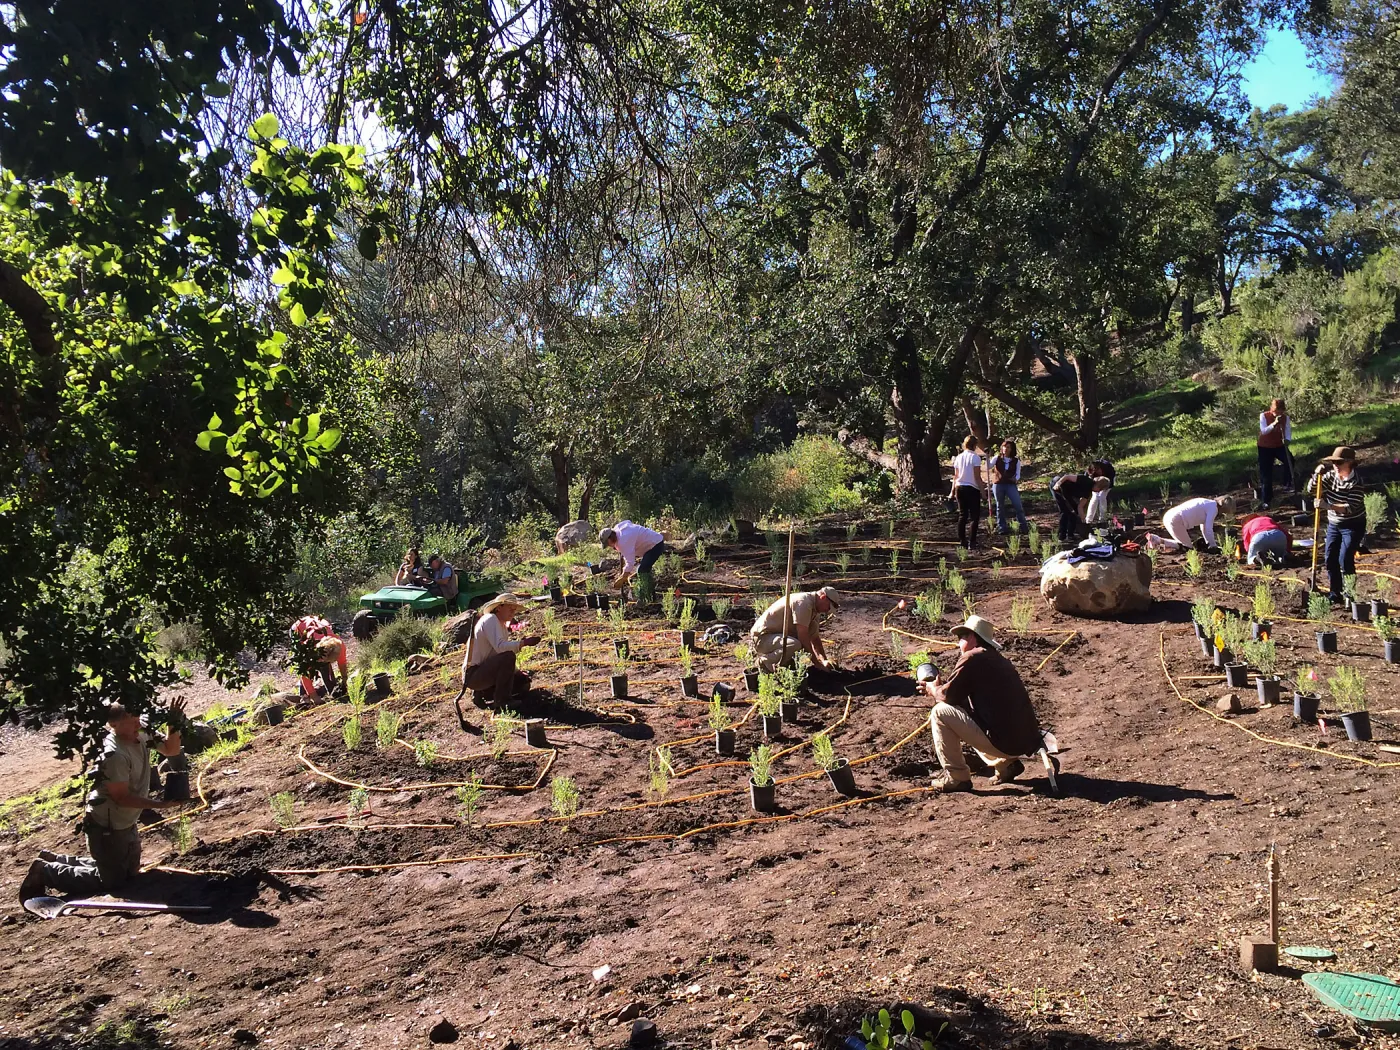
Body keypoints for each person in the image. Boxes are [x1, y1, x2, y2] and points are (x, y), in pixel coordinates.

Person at [20, 699, 188, 902]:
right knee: (112, 882)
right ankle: (46, 872)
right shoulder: (114, 754)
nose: (138, 724)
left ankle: (56, 860)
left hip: (126, 820)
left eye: (137, 719)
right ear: (114, 725)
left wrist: (174, 722)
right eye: (132, 721)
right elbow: (121, 798)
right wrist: (160, 805)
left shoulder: (141, 731)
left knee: (129, 873)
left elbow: (171, 750)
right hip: (108, 824)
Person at [916, 616, 1046, 793]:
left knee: (940, 712)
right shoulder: (996, 659)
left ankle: (957, 777)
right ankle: (1006, 765)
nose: (958, 643)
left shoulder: (972, 657)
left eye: (961, 636)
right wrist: (941, 690)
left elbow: (947, 696)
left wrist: (933, 688)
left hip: (1007, 744)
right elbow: (958, 698)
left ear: (972, 637)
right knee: (960, 713)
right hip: (1025, 741)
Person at [460, 594, 540, 708]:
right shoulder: (490, 619)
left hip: (480, 672)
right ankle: (502, 701)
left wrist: (517, 672)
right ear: (499, 608)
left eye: (514, 609)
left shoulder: (500, 625)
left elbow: (497, 654)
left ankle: (482, 693)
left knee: (522, 682)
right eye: (510, 608)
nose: (513, 612)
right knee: (509, 657)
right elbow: (501, 648)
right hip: (473, 674)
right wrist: (523, 643)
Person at [1309, 446, 1366, 604]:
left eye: (1339, 462)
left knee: (1345, 558)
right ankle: (1335, 593)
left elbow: (1350, 508)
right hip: (1334, 524)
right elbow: (1312, 489)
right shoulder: (1329, 476)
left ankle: (1350, 594)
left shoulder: (1356, 482)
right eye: (1334, 462)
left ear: (1350, 463)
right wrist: (1316, 475)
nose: (1335, 465)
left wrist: (1327, 506)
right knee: (1330, 558)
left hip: (1353, 524)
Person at [750, 586, 840, 672]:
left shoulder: (814, 608)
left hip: (778, 636)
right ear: (823, 597)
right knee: (795, 645)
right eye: (828, 608)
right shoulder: (803, 603)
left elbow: (815, 638)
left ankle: (785, 664)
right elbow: (803, 637)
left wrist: (824, 660)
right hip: (762, 638)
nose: (826, 611)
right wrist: (817, 664)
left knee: (812, 628)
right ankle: (764, 662)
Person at [601, 521, 668, 592]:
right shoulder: (618, 527)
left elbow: (630, 563)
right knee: (644, 569)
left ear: (610, 539)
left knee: (642, 571)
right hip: (652, 541)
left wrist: (623, 577)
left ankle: (645, 597)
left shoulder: (623, 542)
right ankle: (650, 595)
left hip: (655, 545)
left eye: (608, 544)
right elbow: (628, 521)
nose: (609, 546)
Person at [290, 615, 346, 697]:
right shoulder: (310, 648)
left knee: (324, 667)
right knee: (309, 668)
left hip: (317, 627)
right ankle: (304, 696)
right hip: (298, 629)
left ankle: (331, 691)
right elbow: (304, 673)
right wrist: (314, 697)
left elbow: (342, 664)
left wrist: (345, 683)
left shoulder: (339, 646)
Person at [1161, 494, 1235, 552]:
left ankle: (1157, 540)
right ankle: (1158, 541)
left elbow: (1204, 527)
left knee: (1183, 544)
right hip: (1175, 520)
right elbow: (1208, 528)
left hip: (1169, 515)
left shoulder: (1207, 503)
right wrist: (1213, 546)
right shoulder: (1213, 509)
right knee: (1188, 548)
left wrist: (1208, 543)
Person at [949, 435, 986, 549]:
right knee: (974, 516)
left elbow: (956, 476)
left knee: (962, 515)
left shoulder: (959, 457)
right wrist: (983, 492)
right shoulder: (975, 458)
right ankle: (972, 542)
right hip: (971, 488)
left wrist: (952, 492)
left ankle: (962, 541)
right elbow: (977, 477)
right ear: (975, 445)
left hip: (960, 487)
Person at [1257, 398, 1293, 508]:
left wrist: (1287, 439)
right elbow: (1263, 431)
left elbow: (1287, 430)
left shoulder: (1286, 418)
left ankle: (1286, 484)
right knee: (1266, 474)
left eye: (1281, 410)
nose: (1279, 413)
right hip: (1265, 447)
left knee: (1290, 460)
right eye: (1277, 410)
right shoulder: (1264, 416)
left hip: (1279, 446)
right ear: (1272, 408)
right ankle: (1266, 500)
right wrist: (1274, 424)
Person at [989, 439, 1030, 535]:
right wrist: (987, 457)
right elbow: (988, 466)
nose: (1005, 449)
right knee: (1000, 506)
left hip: (1010, 485)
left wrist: (1015, 479)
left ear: (1012, 449)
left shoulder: (1016, 461)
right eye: (1004, 447)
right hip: (998, 484)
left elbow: (1018, 474)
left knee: (1018, 505)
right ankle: (1002, 527)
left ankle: (1023, 526)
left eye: (1008, 447)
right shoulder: (997, 458)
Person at [1051, 471, 1094, 542]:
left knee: (1074, 511)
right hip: (1058, 486)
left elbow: (1080, 507)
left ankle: (1071, 535)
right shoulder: (1085, 480)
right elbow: (1067, 476)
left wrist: (1083, 519)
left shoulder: (1088, 491)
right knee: (1065, 511)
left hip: (1068, 492)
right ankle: (1061, 536)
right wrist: (1058, 484)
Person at [1085, 459, 1116, 525]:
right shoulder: (1090, 471)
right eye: (1096, 471)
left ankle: (1103, 518)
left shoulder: (1108, 467)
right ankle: (1088, 520)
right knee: (1095, 498)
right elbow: (1086, 481)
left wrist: (1105, 487)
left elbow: (1111, 480)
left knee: (1102, 496)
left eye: (1099, 470)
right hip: (1096, 483)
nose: (1099, 472)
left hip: (1107, 482)